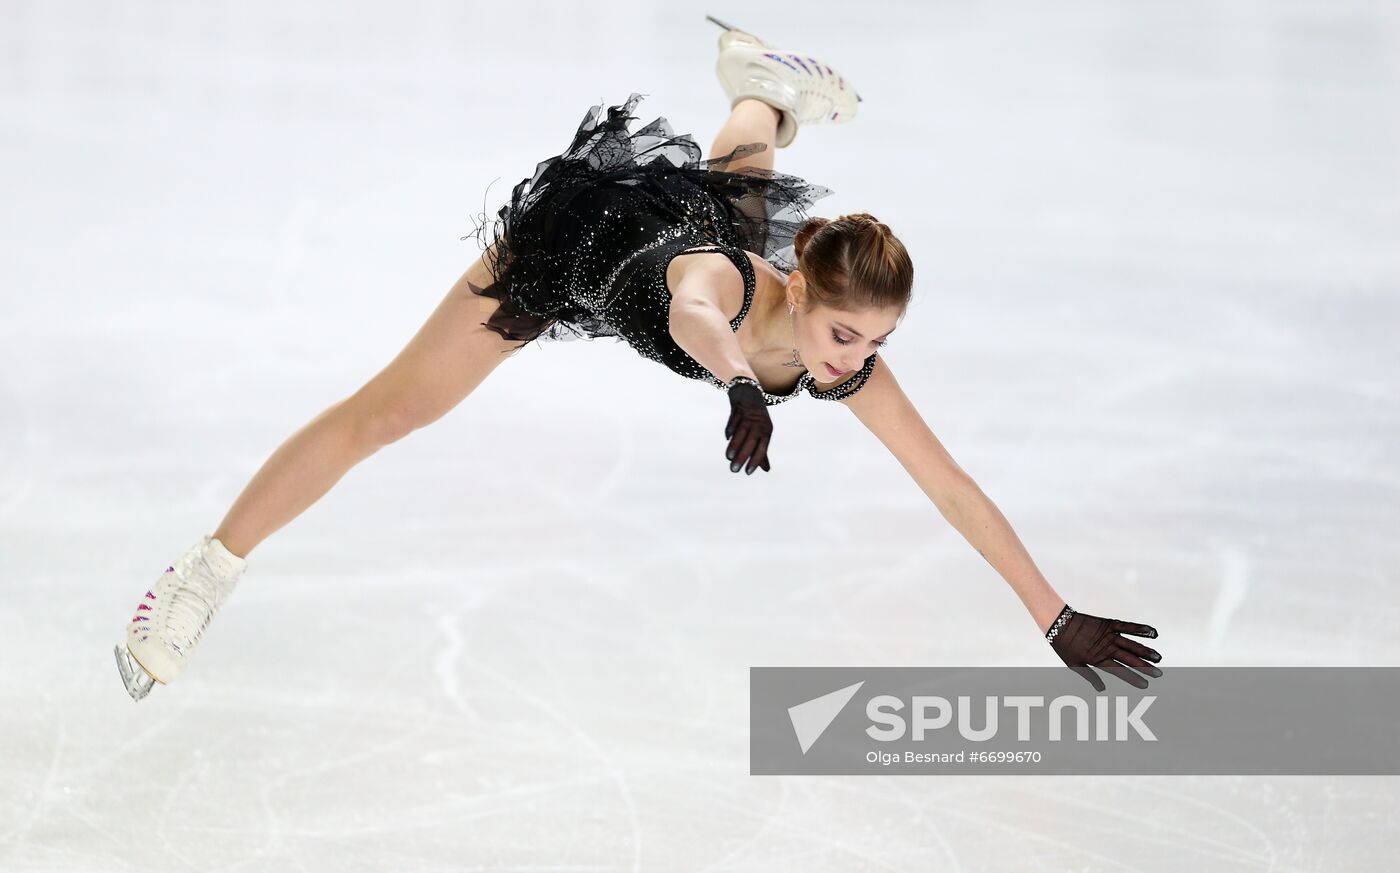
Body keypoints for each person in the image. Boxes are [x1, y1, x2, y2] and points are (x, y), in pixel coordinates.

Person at [114, 16, 1163, 702]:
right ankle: (200, 575)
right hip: (572, 253)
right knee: (389, 414)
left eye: (878, 344)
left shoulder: (833, 348)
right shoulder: (731, 280)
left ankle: (760, 87)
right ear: (801, 288)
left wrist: (1052, 613)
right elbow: (696, 312)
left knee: (737, 175)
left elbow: (950, 489)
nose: (856, 364)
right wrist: (740, 383)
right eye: (848, 335)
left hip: (708, 241)